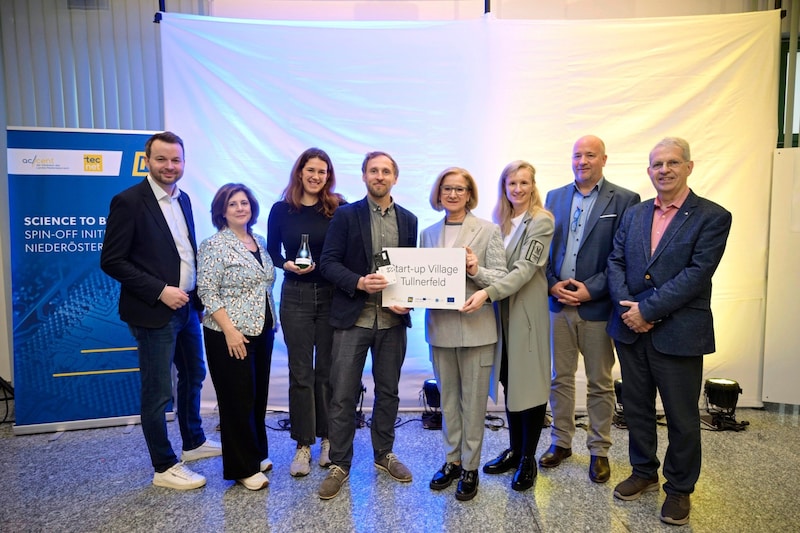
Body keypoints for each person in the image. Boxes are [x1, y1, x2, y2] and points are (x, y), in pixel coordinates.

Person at [607, 137, 731, 526]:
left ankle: (679, 489)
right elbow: (615, 261)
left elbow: (697, 275)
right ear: (649, 171)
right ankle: (644, 471)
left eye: (673, 163)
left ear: (689, 167)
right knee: (638, 409)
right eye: (657, 164)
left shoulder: (712, 217)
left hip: (678, 333)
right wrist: (631, 310)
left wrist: (647, 309)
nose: (664, 170)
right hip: (630, 330)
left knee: (681, 417)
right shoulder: (635, 213)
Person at [100, 131, 221, 490]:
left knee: (194, 374)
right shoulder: (129, 202)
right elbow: (112, 260)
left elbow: (184, 255)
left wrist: (195, 300)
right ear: (147, 160)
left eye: (176, 160)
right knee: (157, 392)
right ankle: (164, 466)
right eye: (162, 159)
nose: (170, 166)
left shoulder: (182, 200)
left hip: (186, 309)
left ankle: (193, 442)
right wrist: (160, 291)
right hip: (154, 310)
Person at [316, 151, 418, 500]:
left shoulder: (409, 220)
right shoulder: (346, 216)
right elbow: (327, 263)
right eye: (373, 170)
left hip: (392, 321)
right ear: (363, 176)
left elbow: (415, 273)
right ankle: (340, 463)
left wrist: (412, 298)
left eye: (386, 171)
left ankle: (383, 454)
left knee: (388, 391)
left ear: (395, 177)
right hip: (353, 319)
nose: (379, 176)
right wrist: (359, 282)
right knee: (343, 393)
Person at [541, 135, 640, 483]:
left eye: (590, 155)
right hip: (557, 304)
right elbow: (544, 248)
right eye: (577, 155)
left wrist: (590, 290)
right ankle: (561, 443)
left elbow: (623, 255)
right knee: (559, 378)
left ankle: (599, 450)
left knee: (600, 381)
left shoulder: (626, 200)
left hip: (597, 307)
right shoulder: (554, 197)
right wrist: (551, 282)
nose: (582, 160)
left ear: (604, 159)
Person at [462, 160, 554, 492]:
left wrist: (486, 291)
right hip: (499, 316)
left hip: (526, 316)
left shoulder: (541, 221)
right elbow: (492, 268)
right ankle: (515, 451)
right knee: (509, 381)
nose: (517, 189)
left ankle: (528, 459)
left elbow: (523, 271)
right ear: (504, 187)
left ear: (533, 186)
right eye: (511, 183)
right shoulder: (498, 223)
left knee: (529, 386)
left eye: (523, 183)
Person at [421, 167, 507, 501]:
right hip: (440, 330)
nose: (453, 194)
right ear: (439, 193)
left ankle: (471, 467)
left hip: (477, 330)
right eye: (447, 188)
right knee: (448, 401)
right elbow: (422, 280)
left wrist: (475, 270)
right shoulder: (428, 234)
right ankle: (452, 461)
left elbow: (501, 279)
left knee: (472, 403)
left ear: (470, 194)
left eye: (460, 189)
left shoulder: (488, 231)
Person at [267, 148, 345, 477]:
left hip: (330, 296)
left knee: (326, 372)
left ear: (329, 176)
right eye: (310, 170)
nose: (316, 176)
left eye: (322, 172)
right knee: (301, 373)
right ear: (300, 172)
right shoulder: (281, 209)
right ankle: (302, 445)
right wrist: (286, 264)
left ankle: (328, 439)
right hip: (295, 295)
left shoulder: (338, 207)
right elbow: (271, 250)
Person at [197, 183, 276, 491]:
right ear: (222, 211)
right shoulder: (214, 245)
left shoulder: (258, 240)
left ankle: (255, 454)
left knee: (256, 397)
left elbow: (263, 285)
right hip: (229, 334)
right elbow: (207, 291)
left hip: (262, 330)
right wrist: (230, 330)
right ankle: (241, 467)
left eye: (244, 202)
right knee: (236, 400)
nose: (241, 208)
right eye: (233, 204)